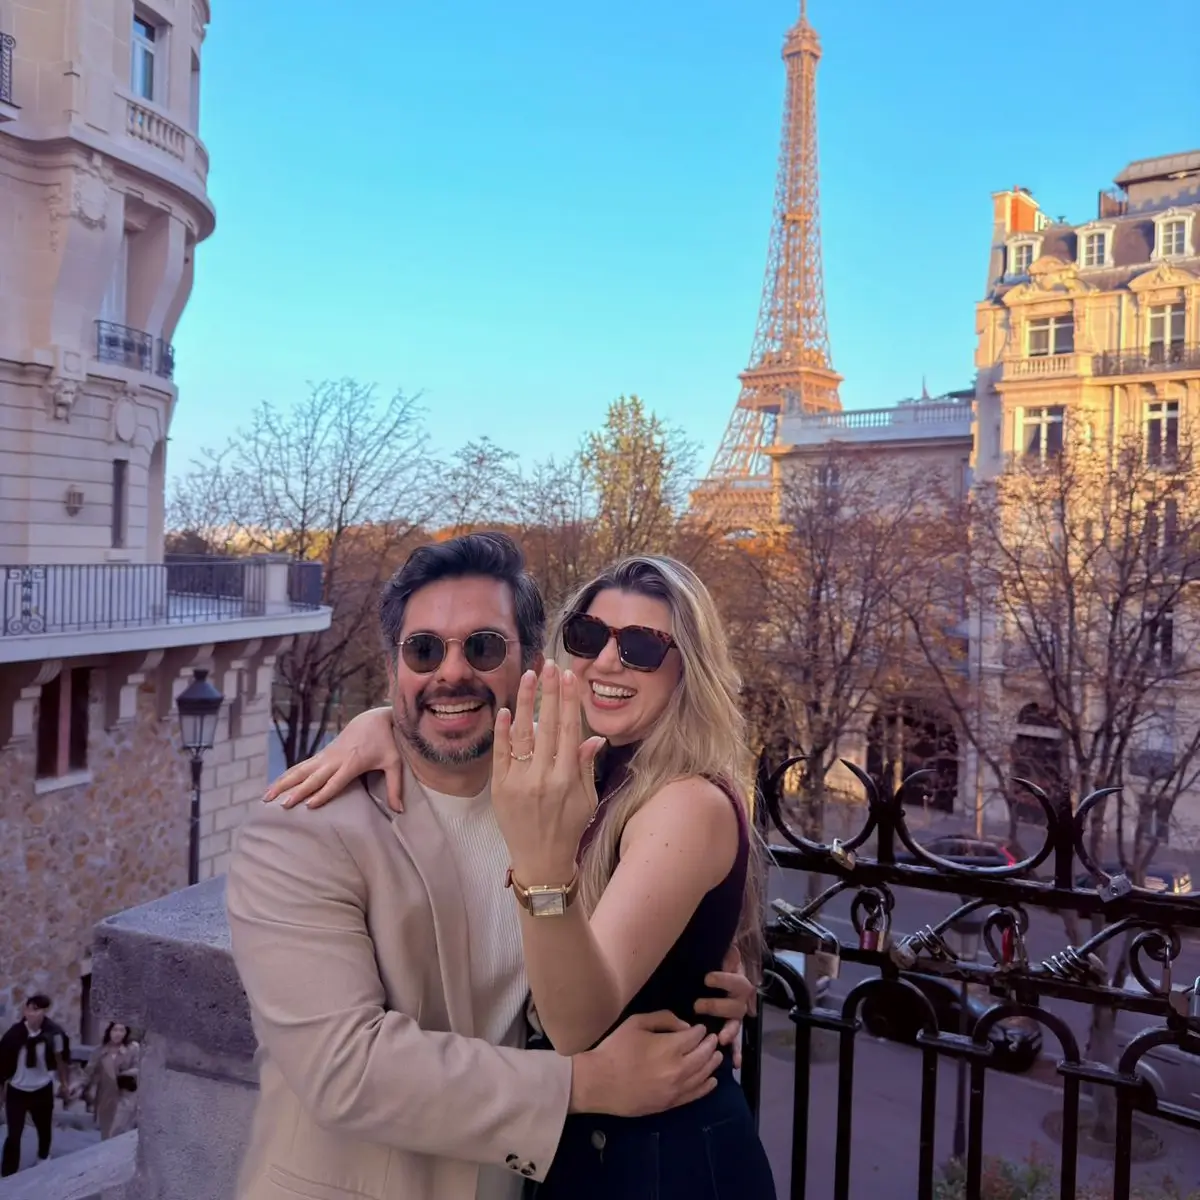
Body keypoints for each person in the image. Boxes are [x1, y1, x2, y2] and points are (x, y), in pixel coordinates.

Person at [229, 533, 755, 1200]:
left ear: (529, 664)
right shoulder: (298, 831)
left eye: (483, 647)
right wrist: (587, 1084)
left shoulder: (555, 798)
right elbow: (345, 1069)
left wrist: (707, 964)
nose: (450, 672)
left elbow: (638, 900)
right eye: (423, 650)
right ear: (394, 666)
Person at [0, 994, 71, 1176]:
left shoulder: (54, 1033)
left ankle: (43, 1160)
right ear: (26, 1011)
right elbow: (2, 1065)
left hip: (42, 1089)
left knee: (44, 1129)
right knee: (14, 1135)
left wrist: (64, 1084)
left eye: (39, 1010)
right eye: (32, 1009)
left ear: (45, 1013)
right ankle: (8, 1174)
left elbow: (60, 1059)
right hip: (18, 1090)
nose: (35, 1014)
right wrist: (2, 1093)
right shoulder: (13, 1035)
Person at [84, 1023, 140, 1140]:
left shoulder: (132, 1049)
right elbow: (89, 1071)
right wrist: (79, 1085)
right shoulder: (100, 1051)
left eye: (121, 1030)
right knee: (107, 1131)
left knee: (120, 1128)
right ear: (109, 1031)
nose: (118, 1034)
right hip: (105, 1095)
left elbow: (139, 1068)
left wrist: (125, 1074)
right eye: (115, 1030)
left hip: (125, 1093)